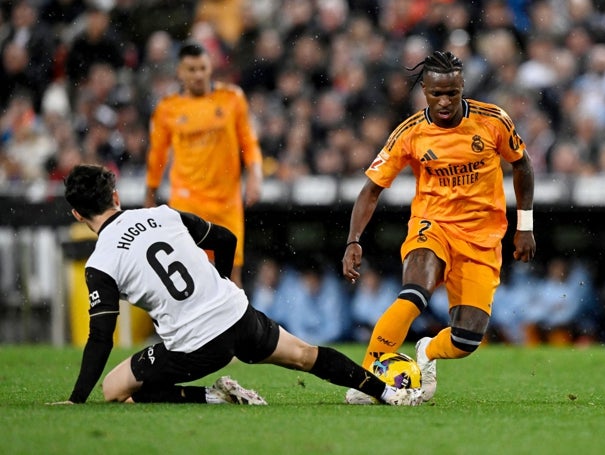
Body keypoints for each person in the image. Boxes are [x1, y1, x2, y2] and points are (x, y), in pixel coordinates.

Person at [50, 164, 422, 406]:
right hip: (237, 314)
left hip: (194, 346)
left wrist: (76, 399)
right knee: (306, 355)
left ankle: (215, 397)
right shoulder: (161, 214)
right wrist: (223, 282)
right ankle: (387, 392)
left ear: (78, 214)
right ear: (116, 197)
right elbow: (225, 238)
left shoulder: (100, 262)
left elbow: (101, 337)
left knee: (117, 390)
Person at [341, 50, 536, 404]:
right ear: (424, 91)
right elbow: (371, 190)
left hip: (482, 238)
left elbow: (523, 166)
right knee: (415, 293)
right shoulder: (411, 132)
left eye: (452, 93)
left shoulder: (493, 121)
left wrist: (525, 225)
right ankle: (367, 377)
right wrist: (354, 240)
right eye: (436, 94)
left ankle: (428, 351)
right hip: (433, 225)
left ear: (462, 88)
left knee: (466, 341)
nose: (444, 101)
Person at [144, 41, 263, 288]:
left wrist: (255, 175)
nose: (198, 75)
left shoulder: (232, 99)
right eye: (191, 69)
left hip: (226, 201)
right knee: (188, 271)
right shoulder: (168, 108)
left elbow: (249, 142)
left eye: (202, 68)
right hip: (188, 200)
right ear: (180, 72)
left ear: (211, 68)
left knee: (232, 275)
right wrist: (150, 192)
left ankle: (234, 327)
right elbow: (157, 154)